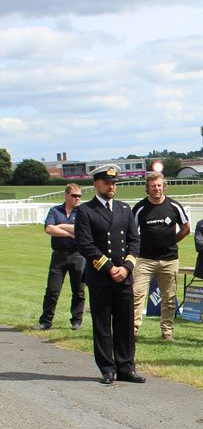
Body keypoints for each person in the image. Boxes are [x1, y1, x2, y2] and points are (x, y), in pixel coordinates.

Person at [74, 164, 144, 385]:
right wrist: (109, 267)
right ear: (96, 184)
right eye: (106, 183)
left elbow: (134, 241)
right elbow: (85, 244)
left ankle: (126, 367)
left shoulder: (124, 209)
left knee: (125, 323)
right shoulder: (86, 211)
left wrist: (126, 267)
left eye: (113, 183)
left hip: (124, 276)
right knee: (103, 324)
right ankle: (107, 368)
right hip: (100, 277)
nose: (111, 186)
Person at [132, 172, 190, 341]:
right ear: (147, 188)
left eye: (159, 185)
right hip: (144, 259)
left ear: (163, 186)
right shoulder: (140, 208)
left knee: (169, 298)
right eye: (153, 186)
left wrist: (172, 241)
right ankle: (132, 330)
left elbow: (186, 227)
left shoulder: (174, 206)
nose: (156, 189)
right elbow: (132, 233)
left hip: (169, 259)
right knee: (136, 295)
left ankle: (167, 332)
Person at [34, 183, 87, 331]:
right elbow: (49, 228)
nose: (77, 198)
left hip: (78, 255)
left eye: (79, 196)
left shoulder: (82, 212)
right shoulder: (55, 211)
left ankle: (76, 321)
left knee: (79, 290)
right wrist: (70, 232)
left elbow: (80, 232)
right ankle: (46, 321)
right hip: (59, 256)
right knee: (52, 289)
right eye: (74, 195)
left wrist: (61, 226)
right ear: (66, 195)